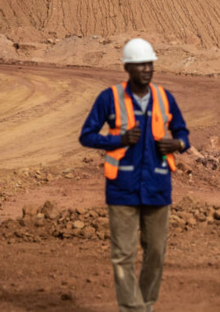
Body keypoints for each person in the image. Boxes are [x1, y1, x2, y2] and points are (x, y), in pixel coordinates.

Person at [79, 38, 190, 312]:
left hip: (157, 187)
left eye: (149, 64)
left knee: (156, 253)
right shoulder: (110, 97)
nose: (146, 69)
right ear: (127, 67)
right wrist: (118, 139)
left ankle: (146, 303)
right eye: (140, 64)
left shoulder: (165, 98)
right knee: (123, 256)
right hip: (122, 188)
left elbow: (183, 132)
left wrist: (178, 144)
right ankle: (134, 309)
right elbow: (87, 135)